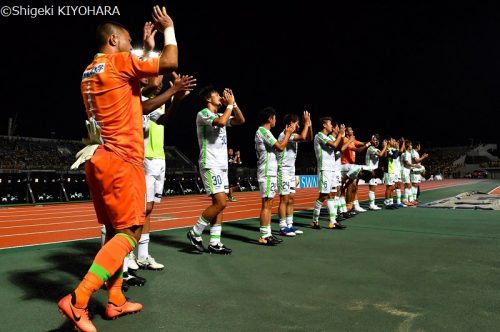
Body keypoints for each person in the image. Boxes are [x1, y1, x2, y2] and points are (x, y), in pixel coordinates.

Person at [58, 6, 179, 331]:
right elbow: (169, 64)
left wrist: (146, 46)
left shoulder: (90, 70)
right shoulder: (117, 62)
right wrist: (168, 29)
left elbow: (141, 94)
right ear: (113, 39)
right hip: (123, 159)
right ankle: (79, 299)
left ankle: (115, 300)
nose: (131, 45)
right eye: (127, 40)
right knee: (130, 232)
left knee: (114, 230)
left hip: (98, 156)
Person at [187, 86, 245, 254]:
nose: (220, 97)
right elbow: (219, 123)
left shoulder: (222, 114)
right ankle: (195, 232)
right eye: (216, 95)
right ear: (208, 99)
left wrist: (233, 104)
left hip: (221, 166)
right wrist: (228, 106)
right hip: (210, 163)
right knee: (221, 202)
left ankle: (214, 242)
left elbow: (240, 120)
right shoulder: (203, 113)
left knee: (219, 205)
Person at [255, 107, 295, 245]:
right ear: (269, 118)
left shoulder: (267, 132)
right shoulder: (263, 131)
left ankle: (268, 234)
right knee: (266, 204)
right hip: (266, 171)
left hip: (270, 172)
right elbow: (280, 146)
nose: (275, 120)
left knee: (269, 203)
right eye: (274, 117)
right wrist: (288, 133)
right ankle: (264, 236)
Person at [277, 111, 312, 236]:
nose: (298, 126)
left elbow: (308, 138)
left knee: (291, 198)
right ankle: (282, 227)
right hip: (283, 170)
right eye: (297, 124)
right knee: (284, 198)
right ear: (290, 124)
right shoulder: (285, 135)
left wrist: (309, 125)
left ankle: (290, 225)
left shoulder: (293, 135)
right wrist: (306, 124)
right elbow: (303, 137)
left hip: (291, 170)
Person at [311, 117, 346, 230]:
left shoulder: (329, 137)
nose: (331, 126)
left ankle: (332, 221)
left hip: (331, 170)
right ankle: (315, 220)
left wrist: (342, 136)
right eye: (330, 124)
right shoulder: (319, 135)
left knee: (332, 195)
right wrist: (340, 134)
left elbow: (339, 147)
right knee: (323, 195)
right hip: (324, 169)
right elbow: (334, 145)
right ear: (324, 125)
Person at [364, 134, 387, 210]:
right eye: (375, 140)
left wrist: (385, 147)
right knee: (372, 188)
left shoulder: (376, 149)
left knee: (373, 188)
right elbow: (380, 155)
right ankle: (371, 204)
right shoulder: (370, 148)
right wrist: (385, 147)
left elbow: (384, 155)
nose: (376, 141)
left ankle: (372, 204)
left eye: (377, 140)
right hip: (370, 170)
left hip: (374, 171)